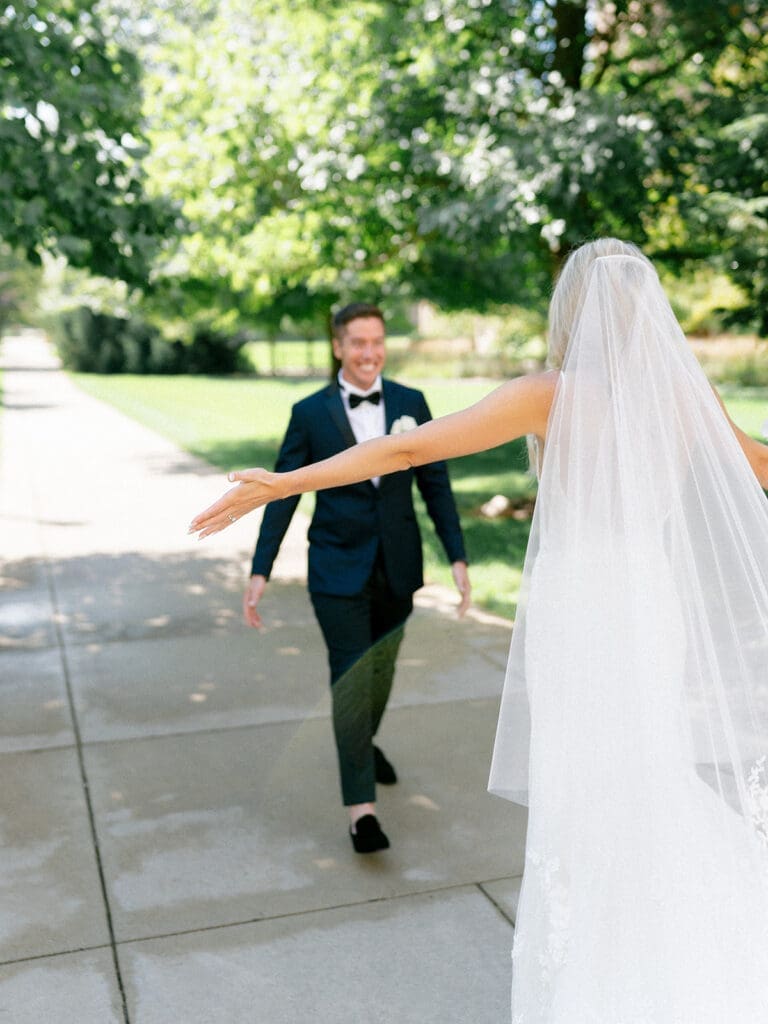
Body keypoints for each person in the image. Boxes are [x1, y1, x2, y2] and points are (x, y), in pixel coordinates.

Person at [191, 240, 768, 1021]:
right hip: (649, 603)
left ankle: (611, 966)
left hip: (583, 606)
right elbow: (757, 467)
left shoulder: (553, 392)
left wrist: (286, 482)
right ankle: (666, 937)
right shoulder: (683, 393)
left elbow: (406, 447)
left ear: (571, 311)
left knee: (589, 787)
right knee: (647, 767)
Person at [240, 302, 470, 854]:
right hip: (336, 570)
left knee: (382, 672)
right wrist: (260, 569)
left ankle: (361, 745)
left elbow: (435, 485)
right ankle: (362, 812)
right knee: (351, 678)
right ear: (339, 347)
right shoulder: (310, 412)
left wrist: (457, 557)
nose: (370, 352)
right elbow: (282, 492)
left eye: (377, 342)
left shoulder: (412, 404)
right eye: (358, 342)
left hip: (397, 566)